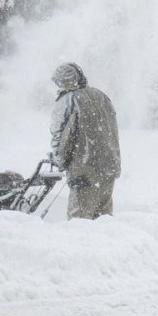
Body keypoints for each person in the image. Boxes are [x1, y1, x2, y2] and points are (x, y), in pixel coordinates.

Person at [50, 62, 121, 220]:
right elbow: (112, 130)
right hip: (109, 167)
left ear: (64, 81)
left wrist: (59, 159)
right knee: (104, 219)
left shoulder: (68, 100)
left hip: (84, 170)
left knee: (80, 221)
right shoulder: (101, 96)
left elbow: (60, 136)